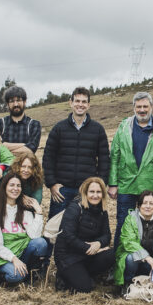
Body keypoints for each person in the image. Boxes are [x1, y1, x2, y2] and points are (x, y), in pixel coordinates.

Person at [108, 92, 153, 245]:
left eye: (145, 106)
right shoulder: (123, 126)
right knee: (123, 223)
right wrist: (112, 184)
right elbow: (114, 156)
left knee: (147, 225)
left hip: (149, 187)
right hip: (126, 186)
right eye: (139, 107)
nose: (142, 110)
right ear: (134, 108)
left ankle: (144, 260)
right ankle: (119, 260)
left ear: (151, 107)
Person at [42, 87, 110, 219]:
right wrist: (52, 184)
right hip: (62, 190)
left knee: (85, 227)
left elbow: (104, 161)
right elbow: (48, 158)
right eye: (77, 101)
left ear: (88, 105)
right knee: (56, 229)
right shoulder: (58, 129)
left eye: (84, 102)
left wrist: (99, 186)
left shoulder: (98, 130)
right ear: (71, 103)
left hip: (86, 190)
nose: (80, 104)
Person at [0, 171, 50, 284]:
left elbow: (35, 236)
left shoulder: (25, 212)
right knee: (17, 276)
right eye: (12, 185)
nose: (15, 188)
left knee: (41, 243)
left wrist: (38, 212)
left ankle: (30, 274)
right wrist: (14, 259)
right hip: (2, 256)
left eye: (18, 186)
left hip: (21, 254)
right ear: (4, 187)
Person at [54, 177, 114, 293]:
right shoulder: (75, 208)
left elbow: (107, 235)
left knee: (113, 254)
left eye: (98, 192)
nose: (95, 195)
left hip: (88, 255)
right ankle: (63, 275)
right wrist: (92, 249)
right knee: (86, 288)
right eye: (92, 192)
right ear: (85, 193)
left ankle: (82, 273)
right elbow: (69, 237)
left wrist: (98, 243)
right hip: (68, 256)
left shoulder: (103, 211)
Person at [115, 190, 153, 290]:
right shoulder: (130, 219)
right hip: (134, 261)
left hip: (150, 263)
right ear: (139, 205)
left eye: (151, 203)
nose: (148, 206)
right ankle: (127, 284)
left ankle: (147, 286)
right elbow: (129, 242)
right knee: (131, 258)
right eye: (145, 203)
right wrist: (147, 257)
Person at [0, 85, 42, 160]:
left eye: (18, 100)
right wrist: (25, 145)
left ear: (24, 102)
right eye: (12, 101)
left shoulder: (34, 124)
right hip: (3, 169)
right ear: (7, 104)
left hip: (25, 169)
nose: (16, 104)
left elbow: (30, 150)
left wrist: (4, 146)